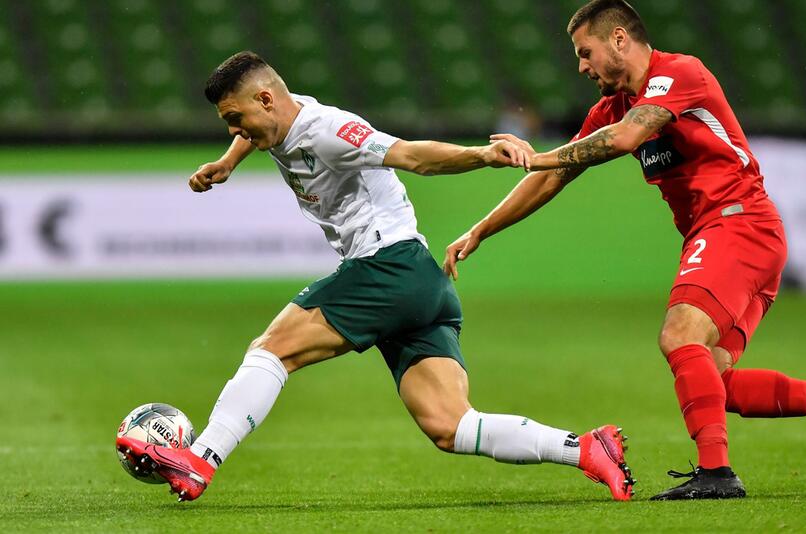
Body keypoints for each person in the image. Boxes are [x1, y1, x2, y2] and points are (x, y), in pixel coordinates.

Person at [116, 51, 634, 502]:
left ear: (267, 102)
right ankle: (587, 449)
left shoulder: (329, 130)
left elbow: (412, 155)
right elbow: (258, 128)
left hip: (387, 266)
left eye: (236, 119)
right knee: (452, 426)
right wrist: (230, 160)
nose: (235, 130)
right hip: (422, 286)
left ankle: (201, 457)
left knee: (272, 350)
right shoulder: (275, 111)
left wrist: (481, 154)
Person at [443, 0, 806, 500]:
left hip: (738, 223)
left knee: (680, 335)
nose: (581, 66)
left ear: (618, 39)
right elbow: (553, 179)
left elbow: (626, 137)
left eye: (585, 52)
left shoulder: (678, 73)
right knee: (715, 381)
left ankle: (717, 474)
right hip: (738, 236)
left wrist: (535, 154)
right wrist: (482, 228)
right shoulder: (611, 109)